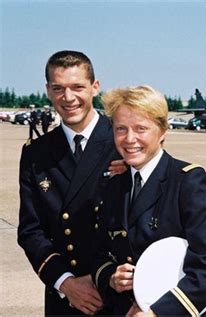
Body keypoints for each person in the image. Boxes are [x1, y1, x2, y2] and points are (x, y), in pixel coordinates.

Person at [92, 85, 206, 316]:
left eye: (141, 128)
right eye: (120, 129)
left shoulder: (187, 182)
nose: (129, 139)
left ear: (163, 130)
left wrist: (159, 313)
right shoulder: (114, 184)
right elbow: (99, 251)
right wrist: (112, 277)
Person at [17, 50, 123, 315]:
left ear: (95, 87)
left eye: (78, 87)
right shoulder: (36, 154)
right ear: (48, 91)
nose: (68, 98)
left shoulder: (124, 142)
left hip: (119, 293)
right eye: (58, 88)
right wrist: (66, 282)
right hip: (67, 298)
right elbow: (32, 231)